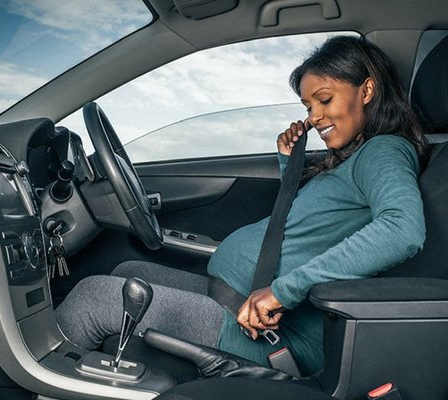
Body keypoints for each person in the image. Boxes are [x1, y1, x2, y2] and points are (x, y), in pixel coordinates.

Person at [55, 35, 427, 376]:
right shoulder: (353, 157)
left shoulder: (384, 151)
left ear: (367, 90)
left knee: (96, 298)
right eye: (308, 105)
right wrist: (288, 161)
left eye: (325, 99)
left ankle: (31, 385)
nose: (313, 118)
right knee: (128, 268)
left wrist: (283, 291)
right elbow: (309, 224)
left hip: (276, 337)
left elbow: (402, 229)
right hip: (235, 296)